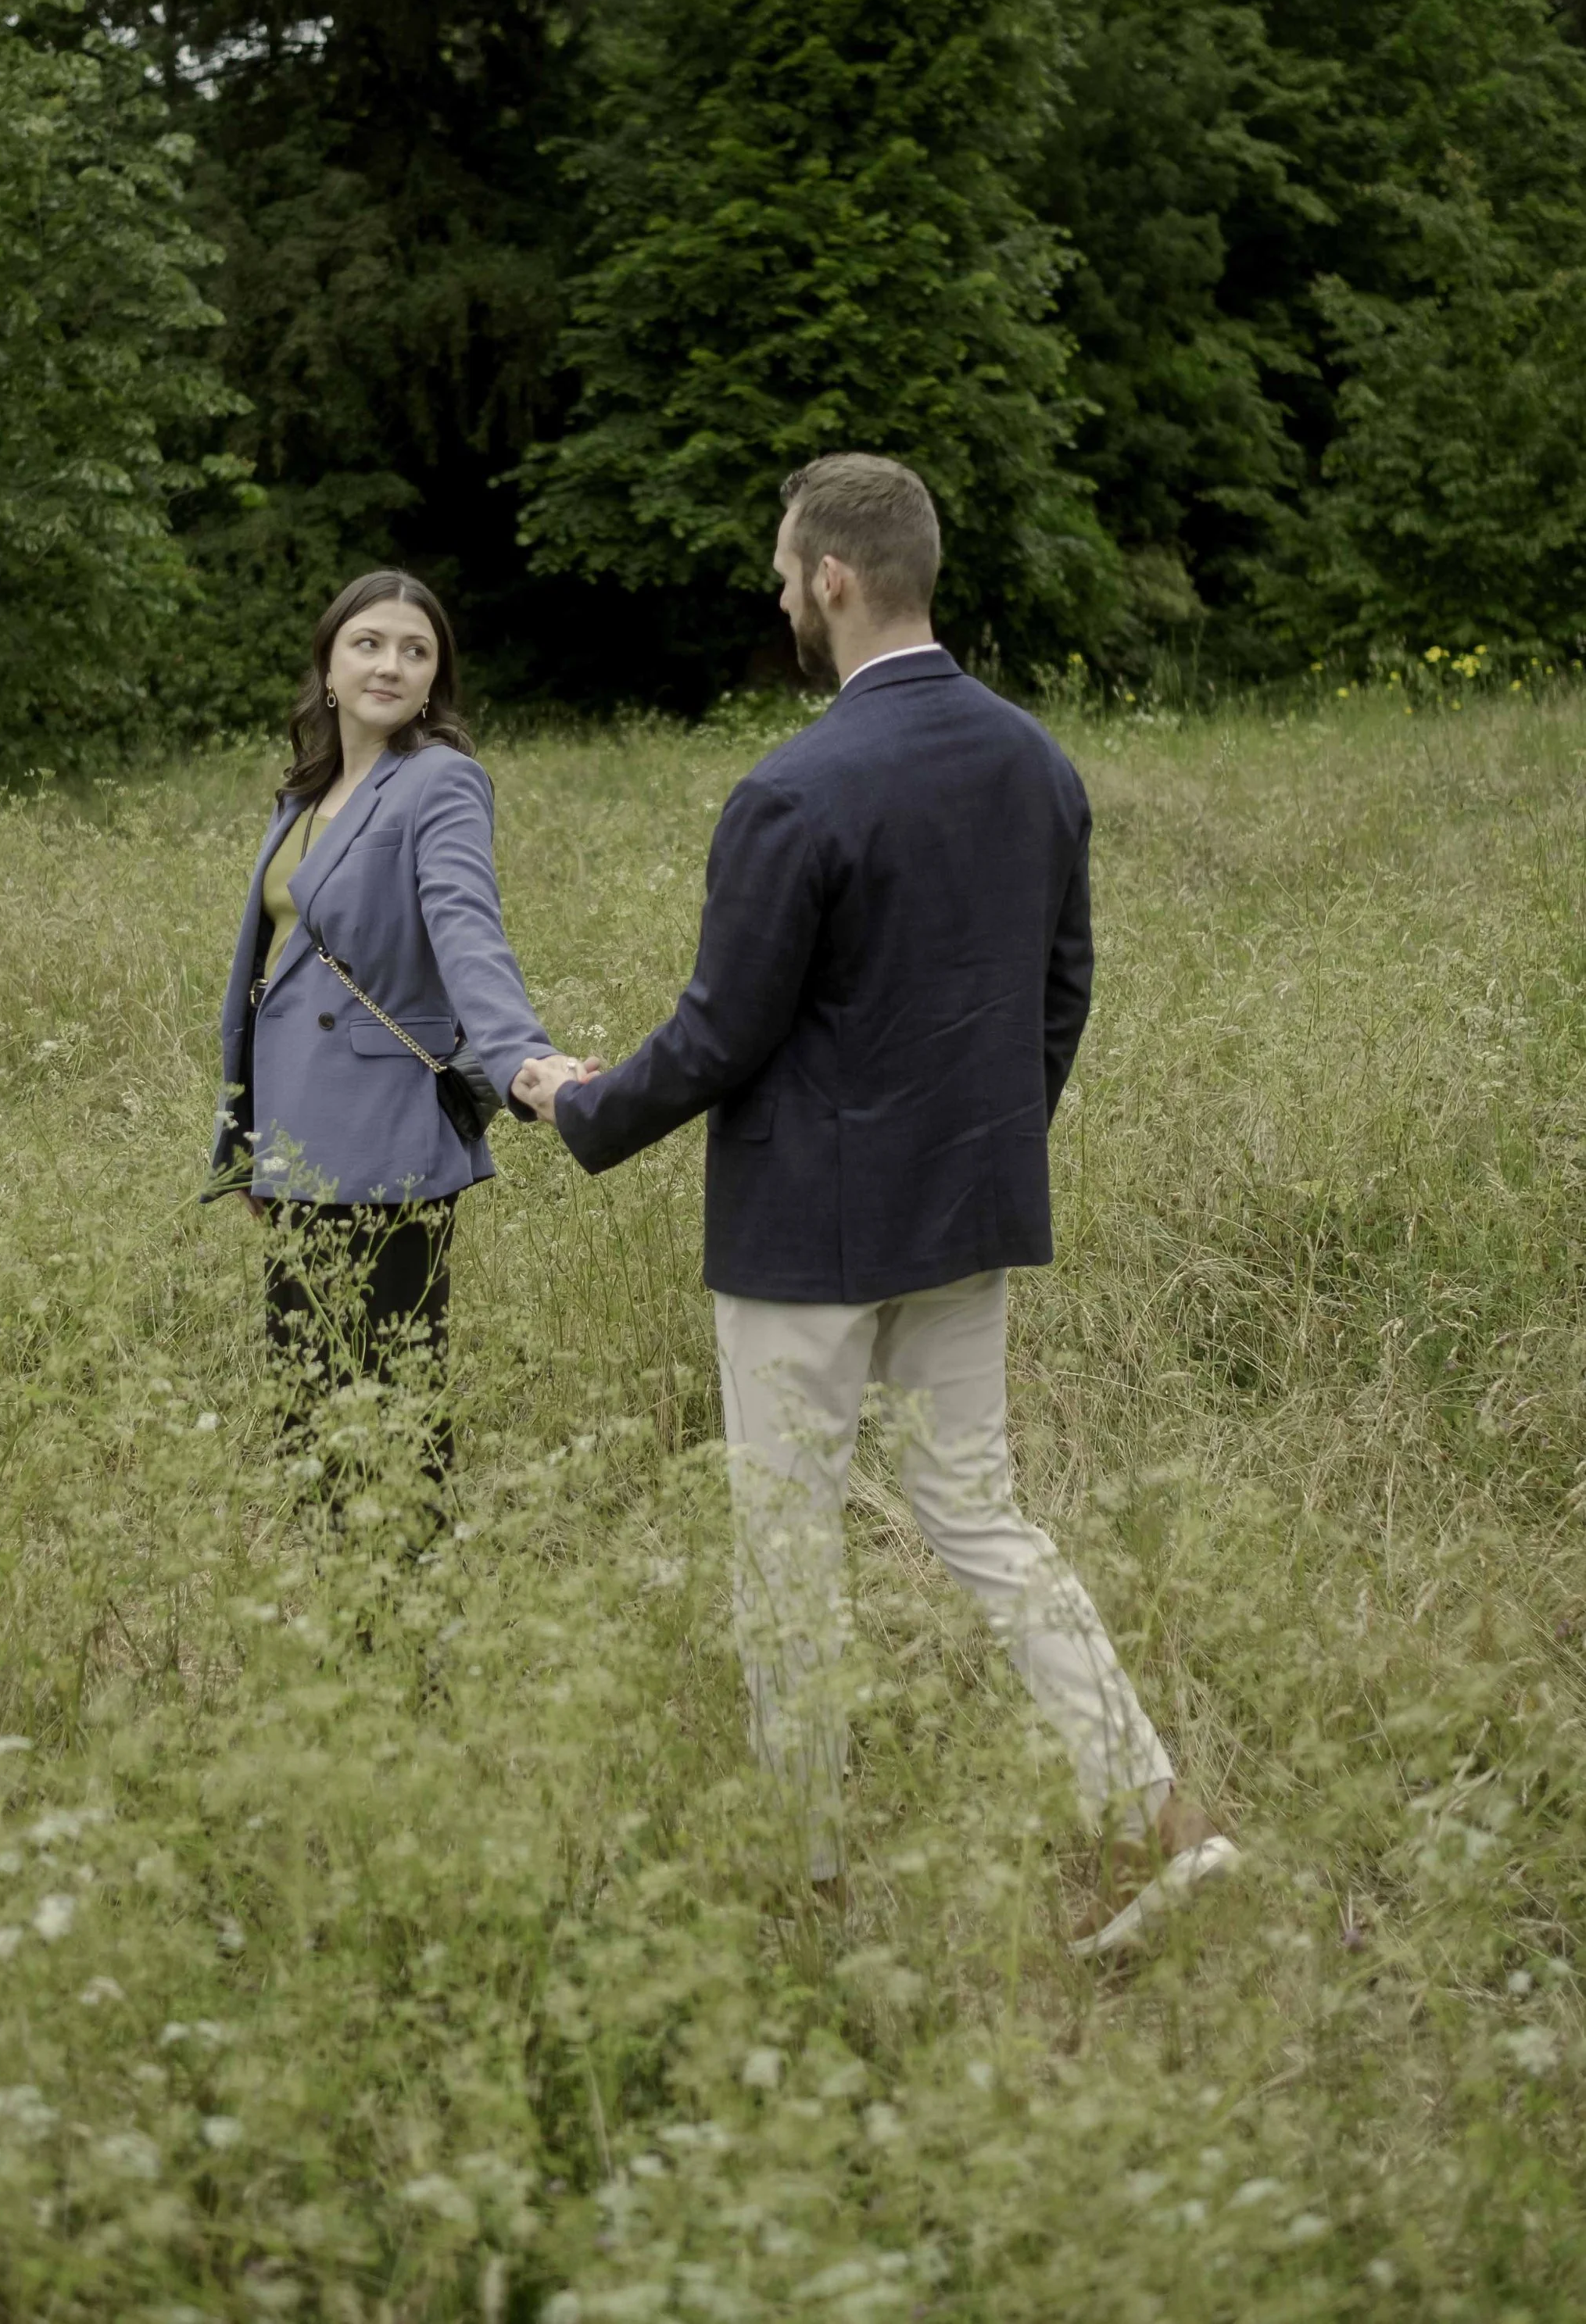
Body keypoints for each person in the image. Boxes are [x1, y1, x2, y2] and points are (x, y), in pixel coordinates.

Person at [517, 454, 1237, 1953]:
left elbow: (723, 1033)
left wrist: (572, 1101)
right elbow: (1062, 994)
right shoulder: (1036, 759)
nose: (782, 597)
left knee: (785, 1548)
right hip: (964, 1217)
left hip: (802, 1247)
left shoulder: (792, 787)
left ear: (834, 580)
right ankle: (1165, 1822)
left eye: (787, 575)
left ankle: (811, 1883)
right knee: (984, 1522)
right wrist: (971, 1155)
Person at [213, 569, 572, 1470]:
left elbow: (467, 932)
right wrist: (249, 1134)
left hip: (385, 1128)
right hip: (292, 1129)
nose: (390, 665)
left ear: (434, 679)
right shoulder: (299, 797)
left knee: (392, 1405)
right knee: (306, 1400)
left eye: (416, 651)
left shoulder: (441, 782)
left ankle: (415, 1599)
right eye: (368, 644)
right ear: (328, 668)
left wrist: (524, 1058)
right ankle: (341, 1602)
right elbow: (270, 979)